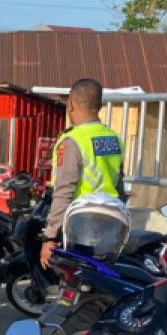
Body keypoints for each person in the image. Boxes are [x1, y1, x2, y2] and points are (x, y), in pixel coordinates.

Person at [40, 78, 125, 268]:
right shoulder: (114, 139)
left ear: (70, 104)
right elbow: (120, 187)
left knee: (75, 281)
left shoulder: (73, 141)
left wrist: (49, 237)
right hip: (111, 226)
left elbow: (64, 191)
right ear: (100, 106)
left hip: (82, 226)